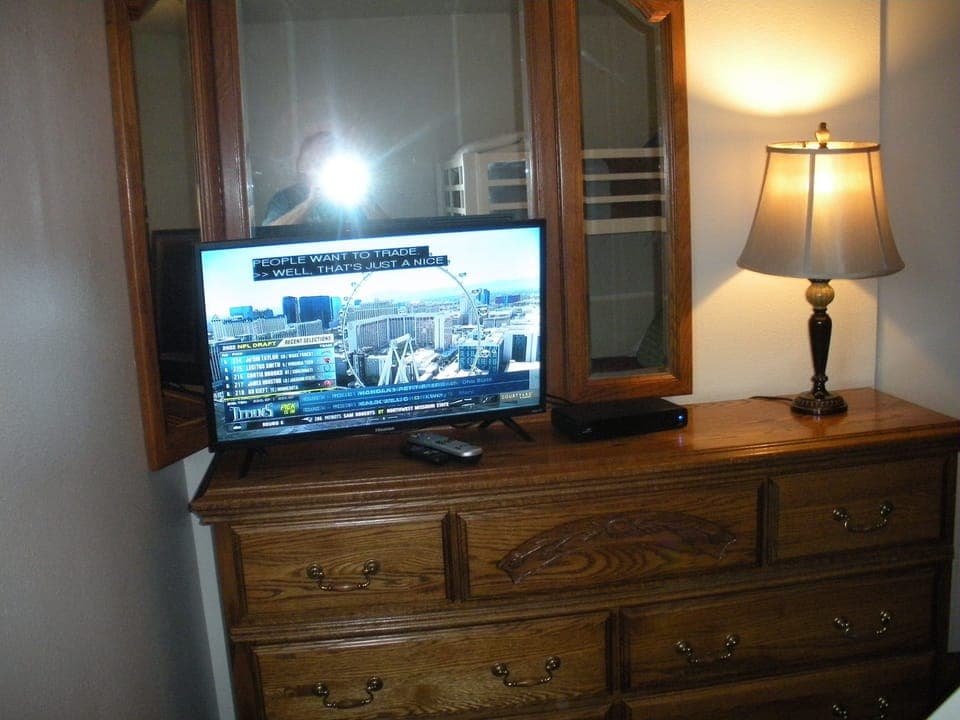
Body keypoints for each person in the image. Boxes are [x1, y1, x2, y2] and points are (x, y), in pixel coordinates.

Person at [263, 131, 369, 226]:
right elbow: (270, 233)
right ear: (303, 164)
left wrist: (366, 201)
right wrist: (309, 203)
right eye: (317, 159)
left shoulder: (346, 196)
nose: (323, 162)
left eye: (329, 155)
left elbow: (368, 231)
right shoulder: (285, 198)